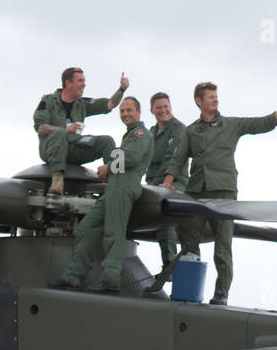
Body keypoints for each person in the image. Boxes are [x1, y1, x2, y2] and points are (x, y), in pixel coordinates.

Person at [160, 83, 277, 304]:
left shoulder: (231, 125)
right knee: (188, 243)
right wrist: (167, 181)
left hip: (224, 193)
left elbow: (260, 124)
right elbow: (178, 159)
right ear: (199, 101)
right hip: (197, 193)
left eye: (216, 96)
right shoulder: (192, 130)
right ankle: (188, 292)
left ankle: (221, 294)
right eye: (211, 97)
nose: (215, 100)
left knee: (223, 246)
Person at [49, 97, 153, 293]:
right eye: (122, 111)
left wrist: (107, 167)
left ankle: (111, 282)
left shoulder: (141, 134)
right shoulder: (129, 135)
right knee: (86, 228)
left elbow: (131, 158)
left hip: (123, 187)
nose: (125, 114)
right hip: (114, 187)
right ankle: (73, 277)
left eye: (129, 110)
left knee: (113, 233)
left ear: (139, 112)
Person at [34, 67, 128, 195]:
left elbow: (109, 104)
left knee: (107, 141)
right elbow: (41, 128)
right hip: (51, 150)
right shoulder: (48, 101)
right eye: (80, 81)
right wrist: (64, 129)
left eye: (84, 81)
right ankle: (57, 180)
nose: (84, 84)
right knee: (60, 133)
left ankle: (113, 182)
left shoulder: (82, 104)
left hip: (73, 148)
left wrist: (122, 89)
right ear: (68, 83)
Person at [144, 91, 188, 271]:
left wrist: (159, 185)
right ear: (152, 110)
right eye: (159, 108)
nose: (163, 111)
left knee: (163, 211)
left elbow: (172, 160)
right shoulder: (150, 133)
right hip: (152, 183)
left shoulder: (178, 129)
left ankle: (170, 264)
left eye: (166, 107)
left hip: (173, 182)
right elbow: (142, 159)